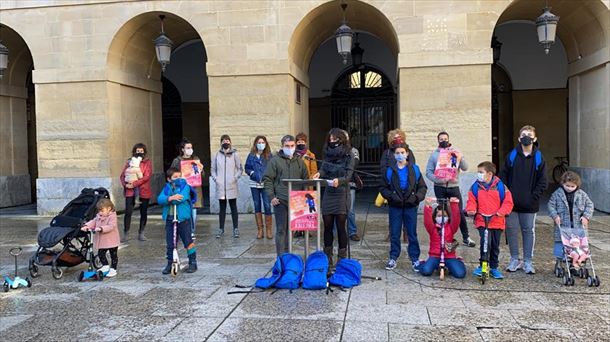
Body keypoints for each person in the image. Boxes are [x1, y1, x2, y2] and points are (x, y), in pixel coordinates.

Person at [499, 125, 547, 274]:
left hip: (529, 204)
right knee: (512, 230)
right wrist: (506, 194)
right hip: (511, 203)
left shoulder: (539, 157)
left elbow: (543, 181)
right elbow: (503, 176)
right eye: (524, 134)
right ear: (519, 138)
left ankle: (528, 262)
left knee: (528, 231)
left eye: (529, 134)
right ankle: (514, 260)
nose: (526, 137)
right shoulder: (512, 155)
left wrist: (533, 196)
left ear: (535, 138)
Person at [379, 143, 427, 271]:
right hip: (395, 206)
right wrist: (391, 196)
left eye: (402, 152)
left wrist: (416, 198)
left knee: (412, 233)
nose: (400, 155)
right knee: (394, 233)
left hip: (410, 206)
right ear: (394, 155)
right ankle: (393, 257)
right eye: (397, 153)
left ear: (407, 154)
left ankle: (415, 258)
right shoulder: (390, 171)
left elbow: (422, 187)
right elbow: (383, 188)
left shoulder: (415, 169)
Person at [425, 131, 476, 248]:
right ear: (438, 141)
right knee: (442, 212)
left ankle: (466, 237)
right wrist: (438, 179)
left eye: (445, 139)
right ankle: (443, 235)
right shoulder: (434, 155)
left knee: (459, 212)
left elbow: (465, 167)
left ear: (449, 139)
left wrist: (461, 157)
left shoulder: (455, 152)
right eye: (441, 139)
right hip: (440, 187)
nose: (444, 141)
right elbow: (428, 172)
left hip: (453, 187)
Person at [312, 128, 355, 266]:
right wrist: (319, 173)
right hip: (329, 192)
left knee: (341, 225)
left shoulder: (349, 155)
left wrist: (340, 180)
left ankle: (341, 257)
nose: (332, 141)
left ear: (341, 139)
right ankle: (328, 256)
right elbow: (324, 168)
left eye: (334, 139)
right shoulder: (327, 154)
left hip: (342, 192)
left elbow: (349, 175)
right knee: (328, 225)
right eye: (330, 139)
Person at [466, 161, 514, 279]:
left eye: (481, 172)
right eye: (478, 172)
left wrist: (500, 212)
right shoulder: (475, 186)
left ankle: (494, 267)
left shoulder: (501, 187)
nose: (479, 175)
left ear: (490, 174)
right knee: (485, 243)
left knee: (494, 245)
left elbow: (508, 203)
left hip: (497, 221)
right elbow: (471, 201)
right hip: (482, 220)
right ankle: (483, 265)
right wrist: (471, 210)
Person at [263, 135, 309, 256]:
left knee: (291, 230)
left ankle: (288, 255)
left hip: (296, 201)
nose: (290, 148)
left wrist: (305, 198)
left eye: (292, 146)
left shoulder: (300, 162)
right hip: (280, 200)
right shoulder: (275, 161)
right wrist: (272, 196)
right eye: (287, 146)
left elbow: (306, 179)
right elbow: (268, 179)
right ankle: (281, 257)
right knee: (281, 230)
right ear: (282, 146)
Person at [548, 171, 594, 269]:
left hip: (578, 225)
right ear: (563, 183)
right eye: (567, 186)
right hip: (563, 224)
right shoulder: (557, 194)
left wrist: (586, 216)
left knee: (579, 244)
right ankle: (559, 261)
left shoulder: (582, 195)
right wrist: (555, 216)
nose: (569, 188)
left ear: (576, 185)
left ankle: (577, 262)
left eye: (572, 186)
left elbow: (590, 205)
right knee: (561, 242)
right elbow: (551, 205)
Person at [157, 168, 197, 274]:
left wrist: (170, 199)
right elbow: (160, 199)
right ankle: (170, 263)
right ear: (169, 179)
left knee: (187, 240)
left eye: (179, 176)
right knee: (170, 242)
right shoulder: (167, 187)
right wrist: (170, 198)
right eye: (175, 177)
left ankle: (192, 262)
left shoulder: (186, 187)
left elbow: (180, 200)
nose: (178, 179)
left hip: (183, 218)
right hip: (170, 218)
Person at [380, 128, 416, 242]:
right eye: (394, 137)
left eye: (399, 136)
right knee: (393, 213)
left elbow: (412, 167)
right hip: (392, 186)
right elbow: (383, 168)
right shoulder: (387, 153)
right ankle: (392, 233)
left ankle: (406, 233)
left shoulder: (408, 151)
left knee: (407, 212)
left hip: (406, 186)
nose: (397, 139)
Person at [419, 197, 466, 278]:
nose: (442, 218)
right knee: (425, 271)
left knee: (460, 274)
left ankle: (458, 261)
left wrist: (454, 204)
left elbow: (456, 219)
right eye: (439, 215)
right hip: (435, 256)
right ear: (435, 217)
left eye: (444, 215)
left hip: (449, 256)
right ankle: (424, 262)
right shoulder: (432, 228)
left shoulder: (451, 227)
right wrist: (427, 206)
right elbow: (427, 221)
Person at [171, 138, 204, 240]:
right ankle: (184, 231)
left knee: (193, 212)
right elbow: (172, 174)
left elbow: (202, 175)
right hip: (183, 189)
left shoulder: (196, 159)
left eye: (191, 147)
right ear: (183, 149)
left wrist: (201, 170)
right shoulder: (177, 161)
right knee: (184, 211)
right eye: (188, 148)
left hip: (195, 190)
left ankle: (191, 231)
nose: (190, 149)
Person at [211, 135, 243, 238]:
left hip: (231, 185)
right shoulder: (216, 155)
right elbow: (213, 169)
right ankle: (221, 229)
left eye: (228, 140)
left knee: (234, 207)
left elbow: (240, 169)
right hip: (221, 186)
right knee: (222, 208)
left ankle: (236, 229)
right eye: (224, 140)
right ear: (221, 142)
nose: (226, 142)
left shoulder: (235, 154)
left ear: (230, 142)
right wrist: (216, 179)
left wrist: (235, 177)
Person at [120, 143, 152, 242]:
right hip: (130, 191)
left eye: (141, 151)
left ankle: (141, 233)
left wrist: (134, 184)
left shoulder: (147, 162)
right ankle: (126, 233)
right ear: (134, 152)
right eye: (138, 151)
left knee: (143, 212)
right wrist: (126, 185)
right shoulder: (129, 162)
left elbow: (146, 176)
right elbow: (122, 175)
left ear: (144, 152)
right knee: (128, 212)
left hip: (143, 191)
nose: (139, 153)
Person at [81, 198, 120, 278]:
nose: (100, 212)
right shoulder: (99, 216)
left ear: (109, 209)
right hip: (103, 241)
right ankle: (105, 265)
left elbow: (111, 226)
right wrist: (86, 226)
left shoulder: (112, 216)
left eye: (102, 211)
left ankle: (113, 269)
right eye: (99, 211)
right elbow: (94, 221)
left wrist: (101, 228)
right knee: (100, 253)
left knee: (113, 255)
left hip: (111, 240)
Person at [245, 135, 274, 239]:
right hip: (254, 184)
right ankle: (260, 230)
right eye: (259, 142)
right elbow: (247, 168)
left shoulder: (269, 156)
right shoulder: (251, 155)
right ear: (255, 144)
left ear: (265, 144)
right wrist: (252, 173)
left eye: (262, 142)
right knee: (257, 205)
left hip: (265, 184)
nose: (260, 144)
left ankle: (269, 230)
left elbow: (272, 168)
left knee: (267, 205)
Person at [345, 131, 361, 241]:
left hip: (350, 183)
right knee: (337, 210)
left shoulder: (354, 151)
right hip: (337, 184)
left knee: (350, 210)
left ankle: (352, 231)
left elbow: (354, 164)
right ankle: (337, 231)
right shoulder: (333, 151)